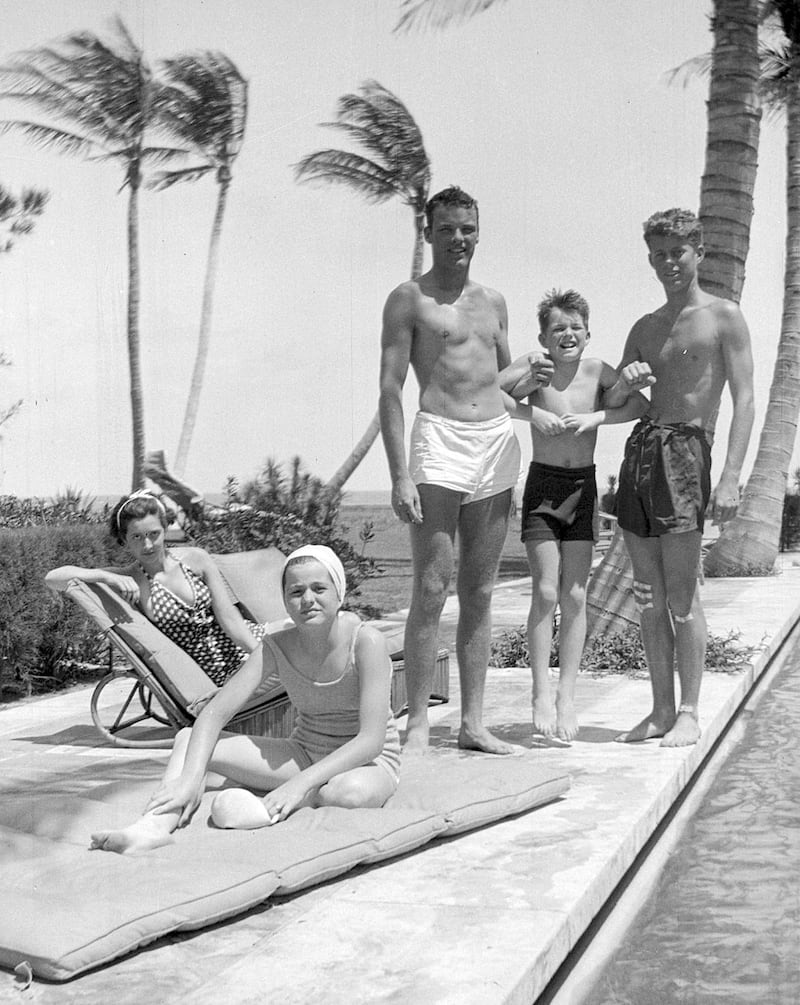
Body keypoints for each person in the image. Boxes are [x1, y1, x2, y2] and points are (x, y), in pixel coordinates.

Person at [379, 185, 551, 755]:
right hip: (440, 443)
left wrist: (536, 374)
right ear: (428, 233)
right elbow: (389, 390)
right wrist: (401, 473)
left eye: (468, 229)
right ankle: (419, 725)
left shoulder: (494, 302)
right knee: (431, 587)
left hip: (495, 445)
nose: (459, 238)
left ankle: (474, 724)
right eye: (448, 228)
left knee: (481, 589)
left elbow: (504, 386)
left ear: (479, 232)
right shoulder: (409, 300)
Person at [90, 545, 401, 853]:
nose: (308, 600)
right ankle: (154, 826)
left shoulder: (366, 641)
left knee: (347, 794)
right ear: (285, 600)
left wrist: (298, 785)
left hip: (367, 763)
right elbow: (214, 713)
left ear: (339, 593)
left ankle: (275, 805)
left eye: (319, 588)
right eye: (296, 592)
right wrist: (190, 779)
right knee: (188, 740)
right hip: (305, 752)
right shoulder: (276, 646)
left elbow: (370, 741)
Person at [604, 208, 754, 747]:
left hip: (688, 455)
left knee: (682, 597)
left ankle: (690, 711)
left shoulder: (723, 316)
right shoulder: (644, 328)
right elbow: (615, 402)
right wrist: (627, 381)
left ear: (699, 254)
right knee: (647, 597)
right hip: (641, 452)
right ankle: (661, 710)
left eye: (678, 252)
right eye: (660, 254)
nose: (669, 262)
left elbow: (745, 400)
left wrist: (732, 475)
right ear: (650, 258)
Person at [501, 288, 647, 742]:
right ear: (544, 336)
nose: (567, 334)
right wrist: (532, 415)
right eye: (558, 328)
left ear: (588, 332)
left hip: (583, 487)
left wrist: (594, 419)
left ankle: (567, 693)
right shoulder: (534, 366)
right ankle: (541, 691)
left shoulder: (597, 370)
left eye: (575, 327)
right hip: (544, 486)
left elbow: (638, 405)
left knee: (576, 596)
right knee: (546, 590)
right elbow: (490, 393)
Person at [45, 490, 266, 703]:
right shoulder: (130, 578)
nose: (147, 545)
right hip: (210, 668)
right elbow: (52, 578)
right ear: (125, 539)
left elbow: (230, 619)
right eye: (137, 537)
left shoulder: (196, 559)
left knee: (293, 639)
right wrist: (104, 576)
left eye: (154, 534)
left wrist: (262, 657)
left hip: (245, 643)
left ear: (166, 528)